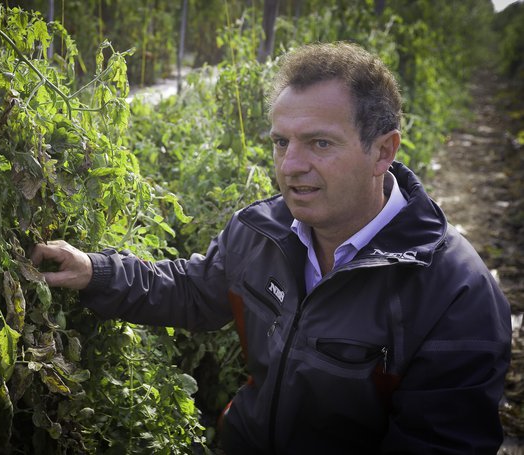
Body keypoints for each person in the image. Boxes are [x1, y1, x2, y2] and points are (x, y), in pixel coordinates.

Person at [30, 42, 512, 454]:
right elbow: (197, 290)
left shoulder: (454, 293)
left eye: (320, 144)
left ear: (383, 152)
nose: (290, 166)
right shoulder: (262, 230)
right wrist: (95, 271)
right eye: (282, 143)